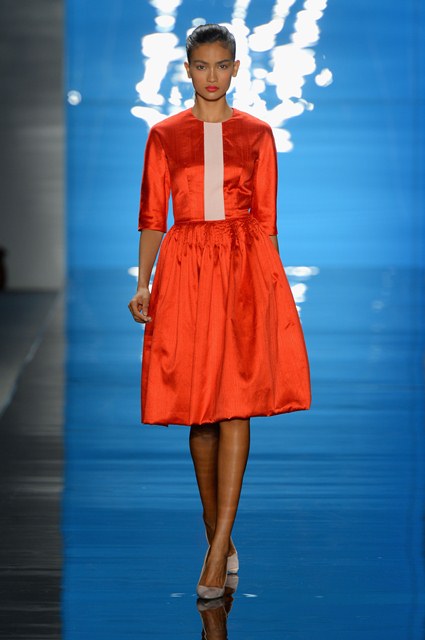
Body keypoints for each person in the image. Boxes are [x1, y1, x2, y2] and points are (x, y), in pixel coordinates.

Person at [128, 23, 311, 600]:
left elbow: (267, 221)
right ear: (187, 69)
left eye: (221, 65)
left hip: (241, 269)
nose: (212, 75)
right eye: (202, 65)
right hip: (186, 271)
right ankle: (218, 533)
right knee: (200, 413)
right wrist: (143, 283)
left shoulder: (257, 134)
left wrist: (273, 290)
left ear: (235, 68)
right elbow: (153, 216)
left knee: (235, 404)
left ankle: (215, 550)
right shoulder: (163, 135)